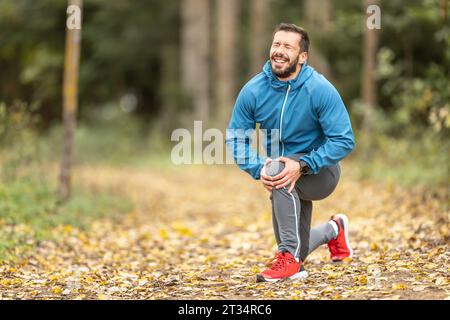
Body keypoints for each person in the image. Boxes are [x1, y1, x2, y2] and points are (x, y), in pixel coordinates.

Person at [226, 23, 355, 282]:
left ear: (302, 57)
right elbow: (236, 137)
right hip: (281, 178)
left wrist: (304, 164)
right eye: (276, 44)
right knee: (295, 247)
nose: (279, 51)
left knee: (278, 172)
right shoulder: (254, 90)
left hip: (320, 172)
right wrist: (257, 166)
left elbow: (344, 140)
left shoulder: (319, 89)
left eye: (287, 46)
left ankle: (290, 262)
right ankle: (333, 230)